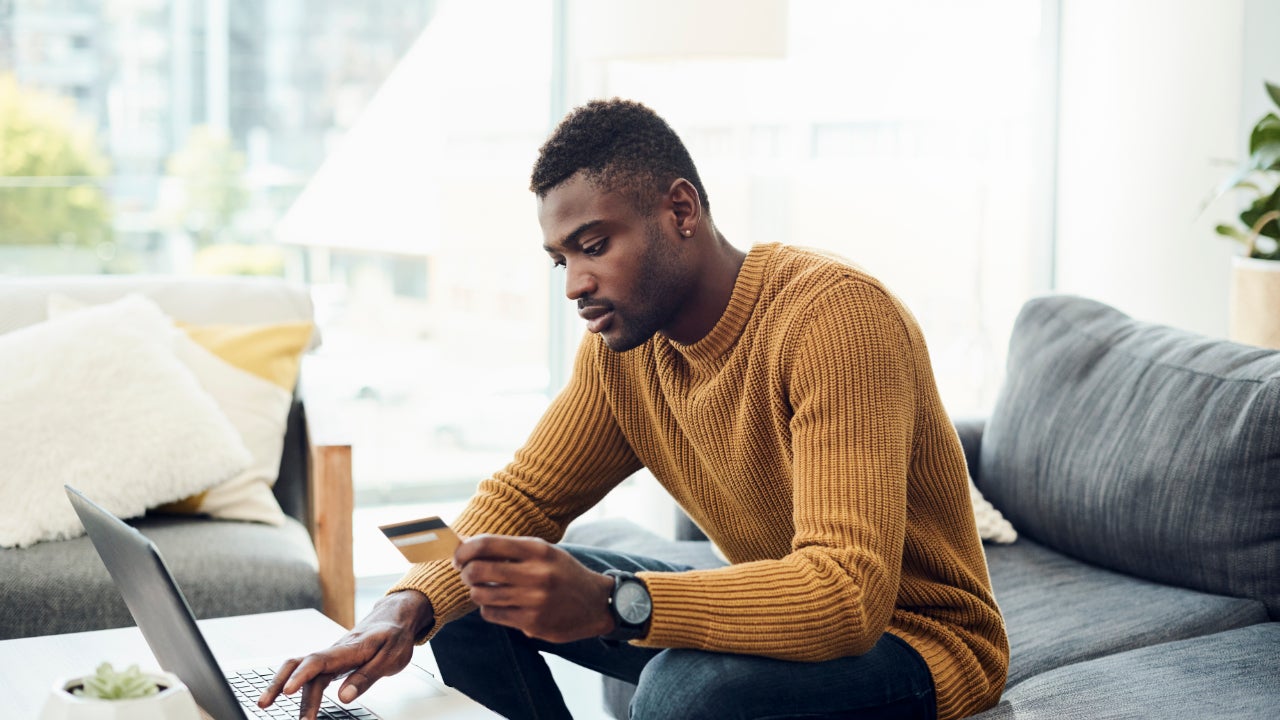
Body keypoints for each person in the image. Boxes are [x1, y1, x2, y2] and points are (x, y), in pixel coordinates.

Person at [259, 98, 1008, 720]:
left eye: (593, 245)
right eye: (562, 260)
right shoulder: (626, 355)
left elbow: (847, 596)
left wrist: (615, 602)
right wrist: (403, 606)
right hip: (791, 604)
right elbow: (524, 497)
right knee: (487, 588)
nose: (574, 285)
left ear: (680, 208)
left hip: (919, 639)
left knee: (686, 693)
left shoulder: (833, 320)